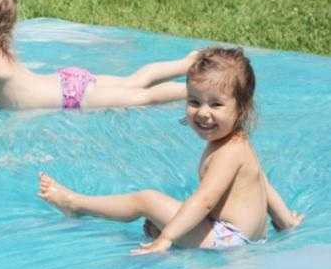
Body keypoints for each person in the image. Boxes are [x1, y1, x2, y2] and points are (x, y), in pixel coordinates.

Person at [39, 47, 304, 254]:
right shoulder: (240, 143)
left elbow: (204, 201)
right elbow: (262, 183)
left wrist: (167, 238)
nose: (202, 113)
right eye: (194, 101)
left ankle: (76, 205)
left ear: (242, 108)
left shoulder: (228, 152)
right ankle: (168, 231)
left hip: (228, 239)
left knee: (147, 200)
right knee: (161, 216)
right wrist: (285, 221)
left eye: (216, 105)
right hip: (247, 237)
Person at [0, 0, 197, 118]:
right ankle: (186, 64)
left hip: (73, 97)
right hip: (66, 81)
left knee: (142, 97)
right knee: (134, 81)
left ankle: (193, 90)